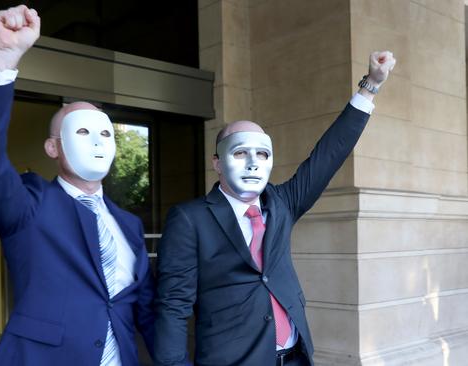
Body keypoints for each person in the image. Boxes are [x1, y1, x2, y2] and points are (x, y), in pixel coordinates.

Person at [154, 52, 396, 366]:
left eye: (262, 154)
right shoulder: (190, 218)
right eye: (240, 152)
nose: (253, 163)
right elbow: (173, 306)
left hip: (295, 357)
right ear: (217, 162)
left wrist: (370, 86)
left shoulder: (282, 203)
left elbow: (328, 155)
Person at [0, 5, 155, 366]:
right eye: (82, 131)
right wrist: (4, 57)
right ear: (53, 147)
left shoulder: (130, 225)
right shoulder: (30, 206)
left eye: (105, 133)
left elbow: (146, 314)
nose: (97, 142)